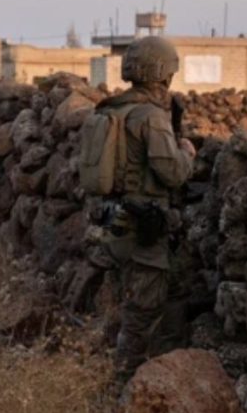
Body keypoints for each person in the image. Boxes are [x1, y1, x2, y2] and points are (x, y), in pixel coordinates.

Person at [84, 35, 196, 386]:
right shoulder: (151, 116)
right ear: (162, 73)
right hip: (142, 224)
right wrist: (187, 151)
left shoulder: (113, 109)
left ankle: (131, 373)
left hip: (114, 217)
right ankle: (125, 385)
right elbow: (172, 172)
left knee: (133, 296)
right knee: (144, 310)